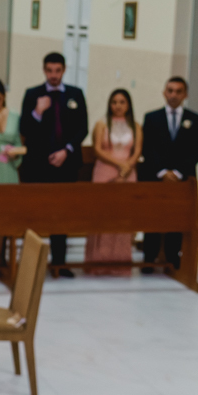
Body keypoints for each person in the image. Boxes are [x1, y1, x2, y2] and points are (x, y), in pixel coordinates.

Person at [18, 52, 89, 276]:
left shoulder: (76, 94)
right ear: (44, 70)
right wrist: (38, 111)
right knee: (37, 213)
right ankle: (33, 264)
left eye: (57, 71)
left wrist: (66, 150)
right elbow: (24, 129)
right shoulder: (33, 94)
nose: (53, 75)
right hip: (38, 164)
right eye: (49, 71)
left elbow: (82, 128)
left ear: (64, 70)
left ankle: (60, 262)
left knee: (62, 213)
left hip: (66, 163)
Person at [140, 77, 198, 272]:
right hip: (156, 176)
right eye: (170, 90)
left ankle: (172, 257)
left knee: (176, 218)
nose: (174, 95)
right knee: (153, 217)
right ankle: (149, 258)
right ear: (164, 93)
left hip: (182, 179)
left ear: (185, 95)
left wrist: (177, 172)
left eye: (178, 91)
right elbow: (147, 148)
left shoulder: (195, 119)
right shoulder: (152, 118)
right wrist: (162, 172)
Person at [84, 89, 142, 276]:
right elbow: (98, 150)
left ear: (128, 105)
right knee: (102, 215)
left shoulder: (136, 126)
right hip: (104, 171)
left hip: (128, 174)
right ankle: (99, 261)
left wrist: (127, 168)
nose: (118, 106)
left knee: (122, 217)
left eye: (122, 102)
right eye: (114, 102)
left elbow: (137, 151)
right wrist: (119, 164)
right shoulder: (102, 124)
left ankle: (120, 261)